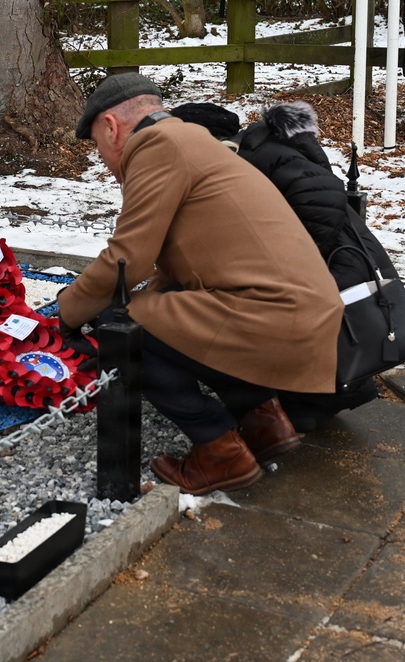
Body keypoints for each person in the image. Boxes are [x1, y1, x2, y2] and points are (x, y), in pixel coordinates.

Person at [59, 72, 345, 496]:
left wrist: (65, 313)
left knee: (120, 325)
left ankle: (219, 450)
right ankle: (264, 422)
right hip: (301, 313)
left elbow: (127, 259)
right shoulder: (190, 138)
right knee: (162, 312)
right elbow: (180, 269)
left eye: (98, 147)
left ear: (110, 126)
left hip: (274, 316)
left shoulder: (156, 146)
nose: (103, 160)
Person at [171, 100, 400, 430]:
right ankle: (327, 397)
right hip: (332, 260)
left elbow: (323, 198)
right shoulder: (250, 154)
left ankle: (330, 396)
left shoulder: (254, 155)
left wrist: (292, 263)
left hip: (333, 261)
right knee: (332, 335)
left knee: (327, 334)